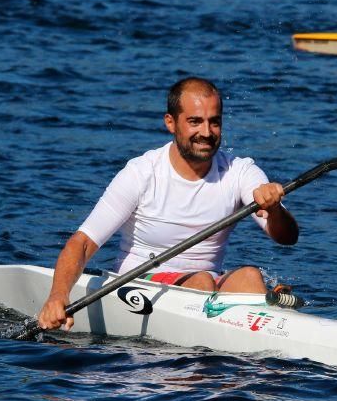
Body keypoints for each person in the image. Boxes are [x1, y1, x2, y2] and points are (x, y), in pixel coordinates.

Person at [37, 77, 300, 331]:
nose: (206, 133)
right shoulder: (141, 173)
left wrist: (274, 209)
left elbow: (287, 237)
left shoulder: (240, 172)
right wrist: (58, 296)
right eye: (195, 122)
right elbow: (82, 243)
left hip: (204, 287)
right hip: (139, 286)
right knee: (201, 281)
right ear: (171, 123)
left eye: (214, 122)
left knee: (250, 278)